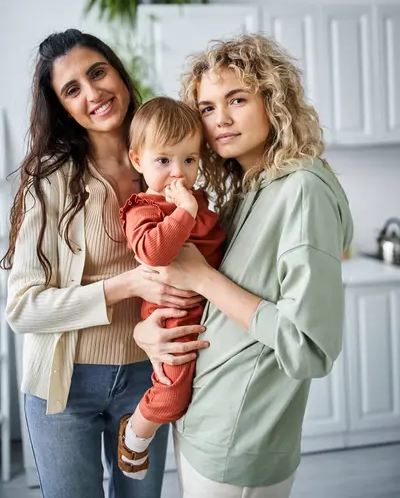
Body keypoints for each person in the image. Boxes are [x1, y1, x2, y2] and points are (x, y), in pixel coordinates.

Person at [132, 34, 354, 498]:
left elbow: (308, 346)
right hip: (201, 417)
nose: (222, 120)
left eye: (237, 99)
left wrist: (203, 279)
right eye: (208, 108)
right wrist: (147, 332)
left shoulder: (302, 190)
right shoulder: (246, 188)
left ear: (274, 100)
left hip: (240, 437)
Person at [2, 29, 209, 498]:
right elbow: (22, 309)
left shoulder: (168, 162)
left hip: (147, 376)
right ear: (62, 107)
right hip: (64, 383)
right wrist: (128, 285)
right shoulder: (49, 183)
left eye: (98, 72)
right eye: (72, 89)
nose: (93, 93)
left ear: (118, 72)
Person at [117, 96, 225, 480]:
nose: (178, 173)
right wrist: (185, 212)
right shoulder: (142, 209)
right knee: (173, 396)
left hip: (207, 312)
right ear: (137, 160)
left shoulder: (196, 201)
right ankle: (135, 436)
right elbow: (155, 252)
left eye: (189, 160)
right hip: (172, 318)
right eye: (163, 161)